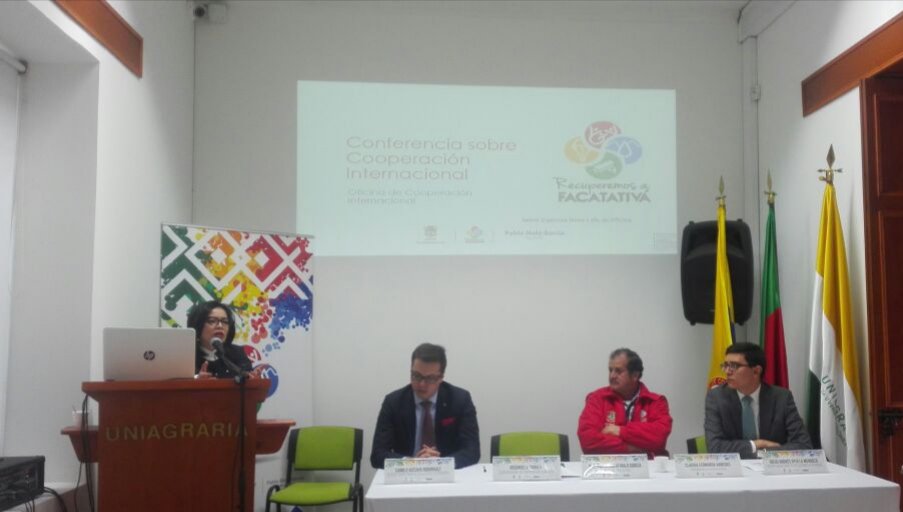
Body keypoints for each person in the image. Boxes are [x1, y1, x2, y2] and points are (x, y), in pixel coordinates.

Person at [370, 343, 480, 469]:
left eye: (430, 378)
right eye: (416, 376)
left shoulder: (460, 400)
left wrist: (440, 463)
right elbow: (377, 455)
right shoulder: (393, 402)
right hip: (407, 473)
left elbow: (472, 452)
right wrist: (413, 463)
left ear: (441, 378)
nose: (422, 384)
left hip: (448, 473)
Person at [705, 342, 812, 458]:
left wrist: (762, 453)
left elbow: (803, 445)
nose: (727, 371)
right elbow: (715, 447)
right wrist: (756, 444)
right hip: (735, 468)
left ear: (756, 371)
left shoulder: (782, 398)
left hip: (771, 467)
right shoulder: (716, 398)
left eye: (734, 366)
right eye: (725, 365)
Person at [577, 348, 672, 458]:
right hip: (609, 466)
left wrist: (620, 431)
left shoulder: (656, 402)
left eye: (618, 371)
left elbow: (659, 439)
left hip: (649, 467)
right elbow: (588, 441)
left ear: (635, 376)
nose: (612, 376)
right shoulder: (597, 399)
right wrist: (631, 448)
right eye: (610, 370)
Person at [187, 300, 257, 379]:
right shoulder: (186, 356)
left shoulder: (237, 353)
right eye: (212, 321)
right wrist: (196, 379)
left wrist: (253, 378)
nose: (220, 326)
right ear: (197, 325)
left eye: (225, 321)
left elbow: (249, 380)